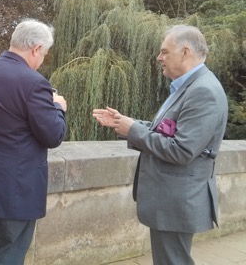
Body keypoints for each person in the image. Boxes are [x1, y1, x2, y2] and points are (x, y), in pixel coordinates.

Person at [92, 25, 228, 265]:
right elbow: (167, 129)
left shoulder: (203, 91)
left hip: (177, 199)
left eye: (165, 52)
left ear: (185, 52)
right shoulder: (189, 86)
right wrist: (125, 123)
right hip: (172, 198)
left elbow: (181, 150)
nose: (159, 57)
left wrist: (133, 130)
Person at [0, 19, 68, 264]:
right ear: (36, 49)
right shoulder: (35, 83)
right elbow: (53, 135)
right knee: (7, 255)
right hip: (14, 191)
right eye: (44, 54)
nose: (42, 60)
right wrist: (58, 107)